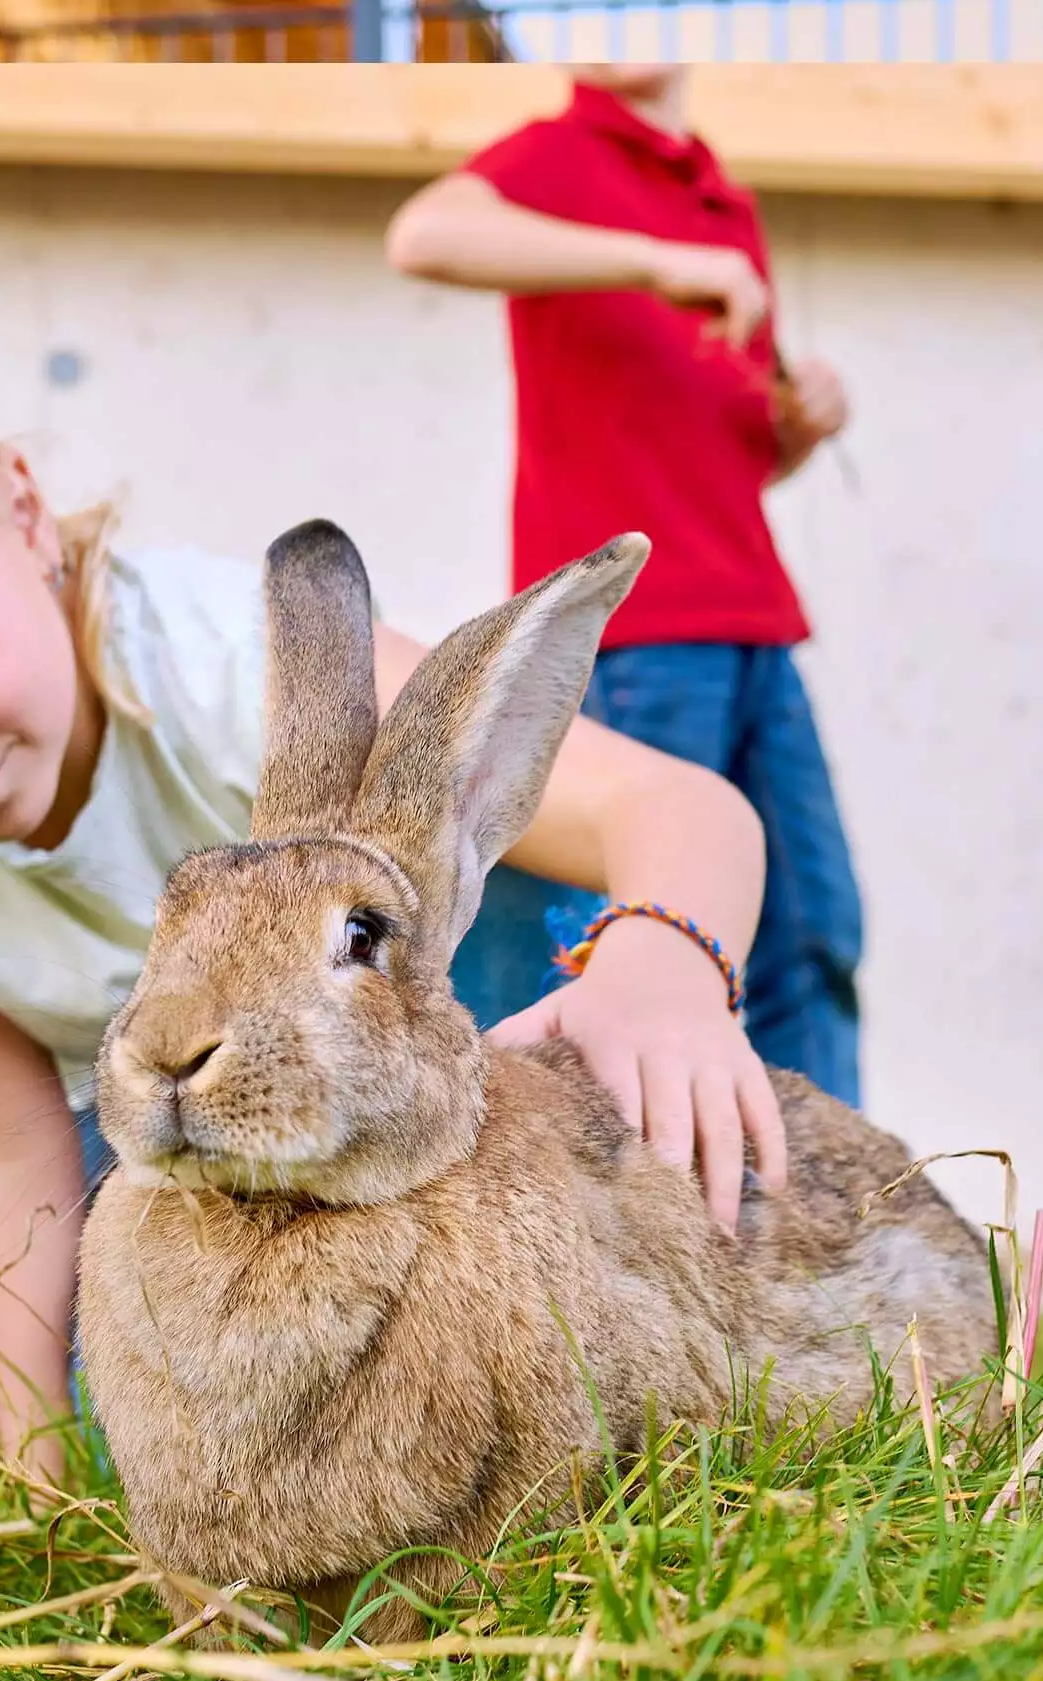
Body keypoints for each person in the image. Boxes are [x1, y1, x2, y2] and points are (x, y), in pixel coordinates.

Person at [0, 304, 787, 1485]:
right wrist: (36, 1451)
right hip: (185, 1123)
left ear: (22, 512)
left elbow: (679, 812)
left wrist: (663, 978)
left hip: (462, 1047)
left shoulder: (212, 661)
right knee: (142, 1419)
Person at [386, 63, 867, 1106]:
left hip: (753, 619)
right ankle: (636, 1219)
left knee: (811, 942)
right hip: (636, 636)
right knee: (628, 951)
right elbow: (422, 233)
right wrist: (654, 261)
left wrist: (799, 424)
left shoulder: (720, 195)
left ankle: (821, 1215)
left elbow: (729, 451)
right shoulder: (560, 151)